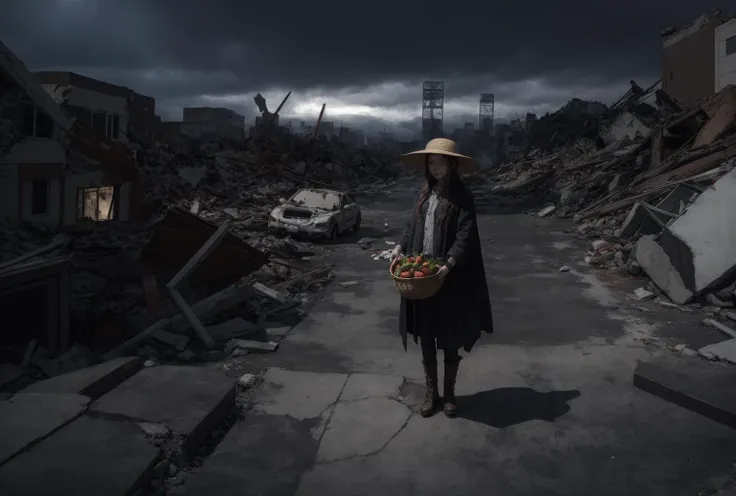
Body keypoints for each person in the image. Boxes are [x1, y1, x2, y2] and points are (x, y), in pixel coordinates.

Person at [391, 138, 493, 418]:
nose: (436, 168)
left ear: (452, 164)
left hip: (448, 277)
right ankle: (430, 394)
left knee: (448, 337)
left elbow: (465, 234)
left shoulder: (462, 197)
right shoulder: (425, 193)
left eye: (441, 162)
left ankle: (449, 396)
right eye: (432, 162)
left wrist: (448, 264)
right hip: (423, 275)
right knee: (426, 337)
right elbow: (412, 225)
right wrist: (400, 247)